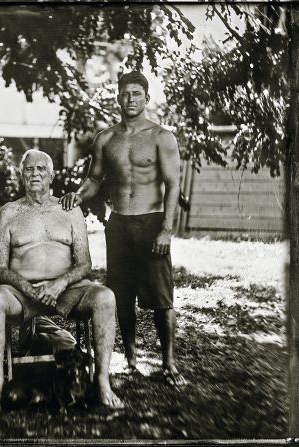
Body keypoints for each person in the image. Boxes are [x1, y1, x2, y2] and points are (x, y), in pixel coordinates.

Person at [60, 71, 187, 387]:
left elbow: (173, 185)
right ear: (117, 98)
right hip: (118, 224)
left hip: (152, 221)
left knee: (161, 298)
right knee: (121, 296)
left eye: (136, 93)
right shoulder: (106, 138)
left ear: (146, 97)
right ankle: (130, 361)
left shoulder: (162, 137)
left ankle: (169, 363)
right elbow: (94, 179)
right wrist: (79, 193)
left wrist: (167, 230)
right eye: (124, 94)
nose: (130, 99)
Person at [0, 149, 123, 413]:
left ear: (52, 175)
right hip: (22, 292)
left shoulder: (69, 210)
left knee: (105, 297)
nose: (35, 174)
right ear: (21, 175)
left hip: (67, 290)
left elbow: (84, 263)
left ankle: (102, 382)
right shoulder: (10, 212)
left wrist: (58, 285)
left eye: (41, 169)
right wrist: (28, 288)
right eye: (30, 169)